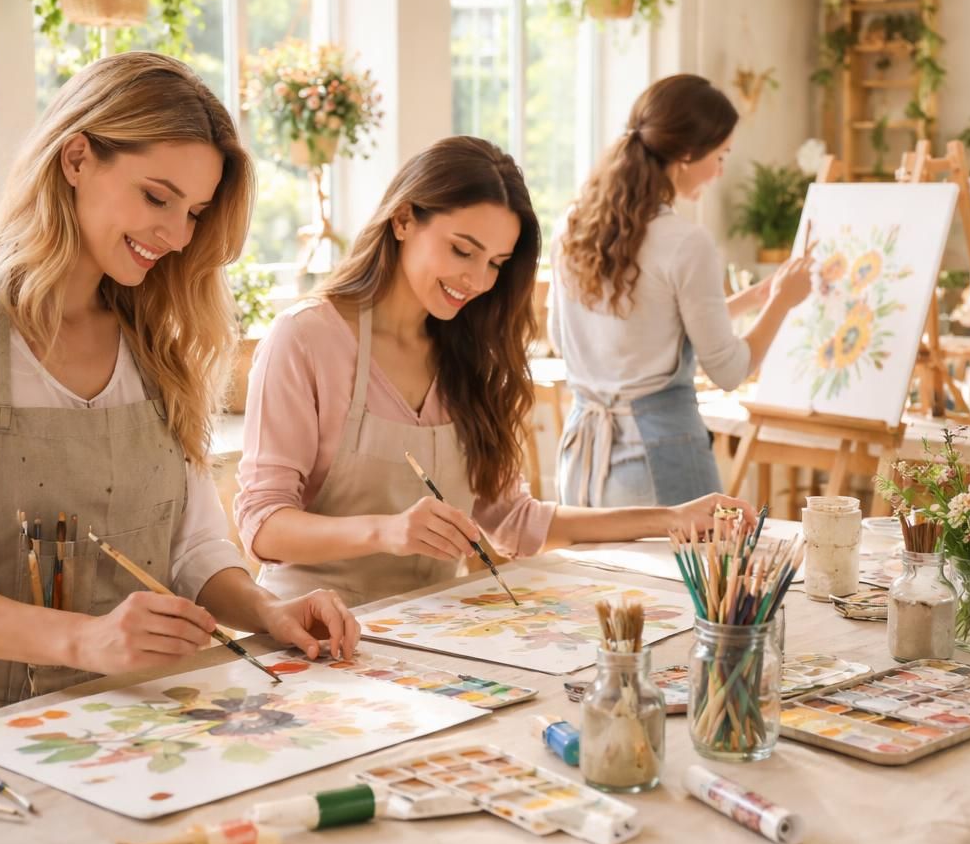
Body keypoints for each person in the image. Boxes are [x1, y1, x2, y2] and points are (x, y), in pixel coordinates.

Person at [0, 53, 357, 751]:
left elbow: (191, 545)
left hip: (112, 727)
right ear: (77, 157)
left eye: (195, 212)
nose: (178, 236)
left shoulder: (157, 334)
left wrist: (269, 610)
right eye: (157, 197)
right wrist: (87, 640)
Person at [236, 135, 751, 608]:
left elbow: (514, 521)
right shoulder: (306, 338)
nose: (478, 280)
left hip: (428, 627)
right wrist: (386, 531)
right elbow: (261, 525)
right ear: (403, 220)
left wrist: (672, 518)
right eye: (462, 250)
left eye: (496, 263)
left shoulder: (470, 352)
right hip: (315, 630)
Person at [549, 75, 814, 508]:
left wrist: (752, 300)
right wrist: (783, 302)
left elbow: (588, 335)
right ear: (687, 154)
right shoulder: (686, 242)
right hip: (657, 464)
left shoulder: (572, 225)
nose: (721, 171)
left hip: (583, 463)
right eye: (721, 155)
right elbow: (729, 371)